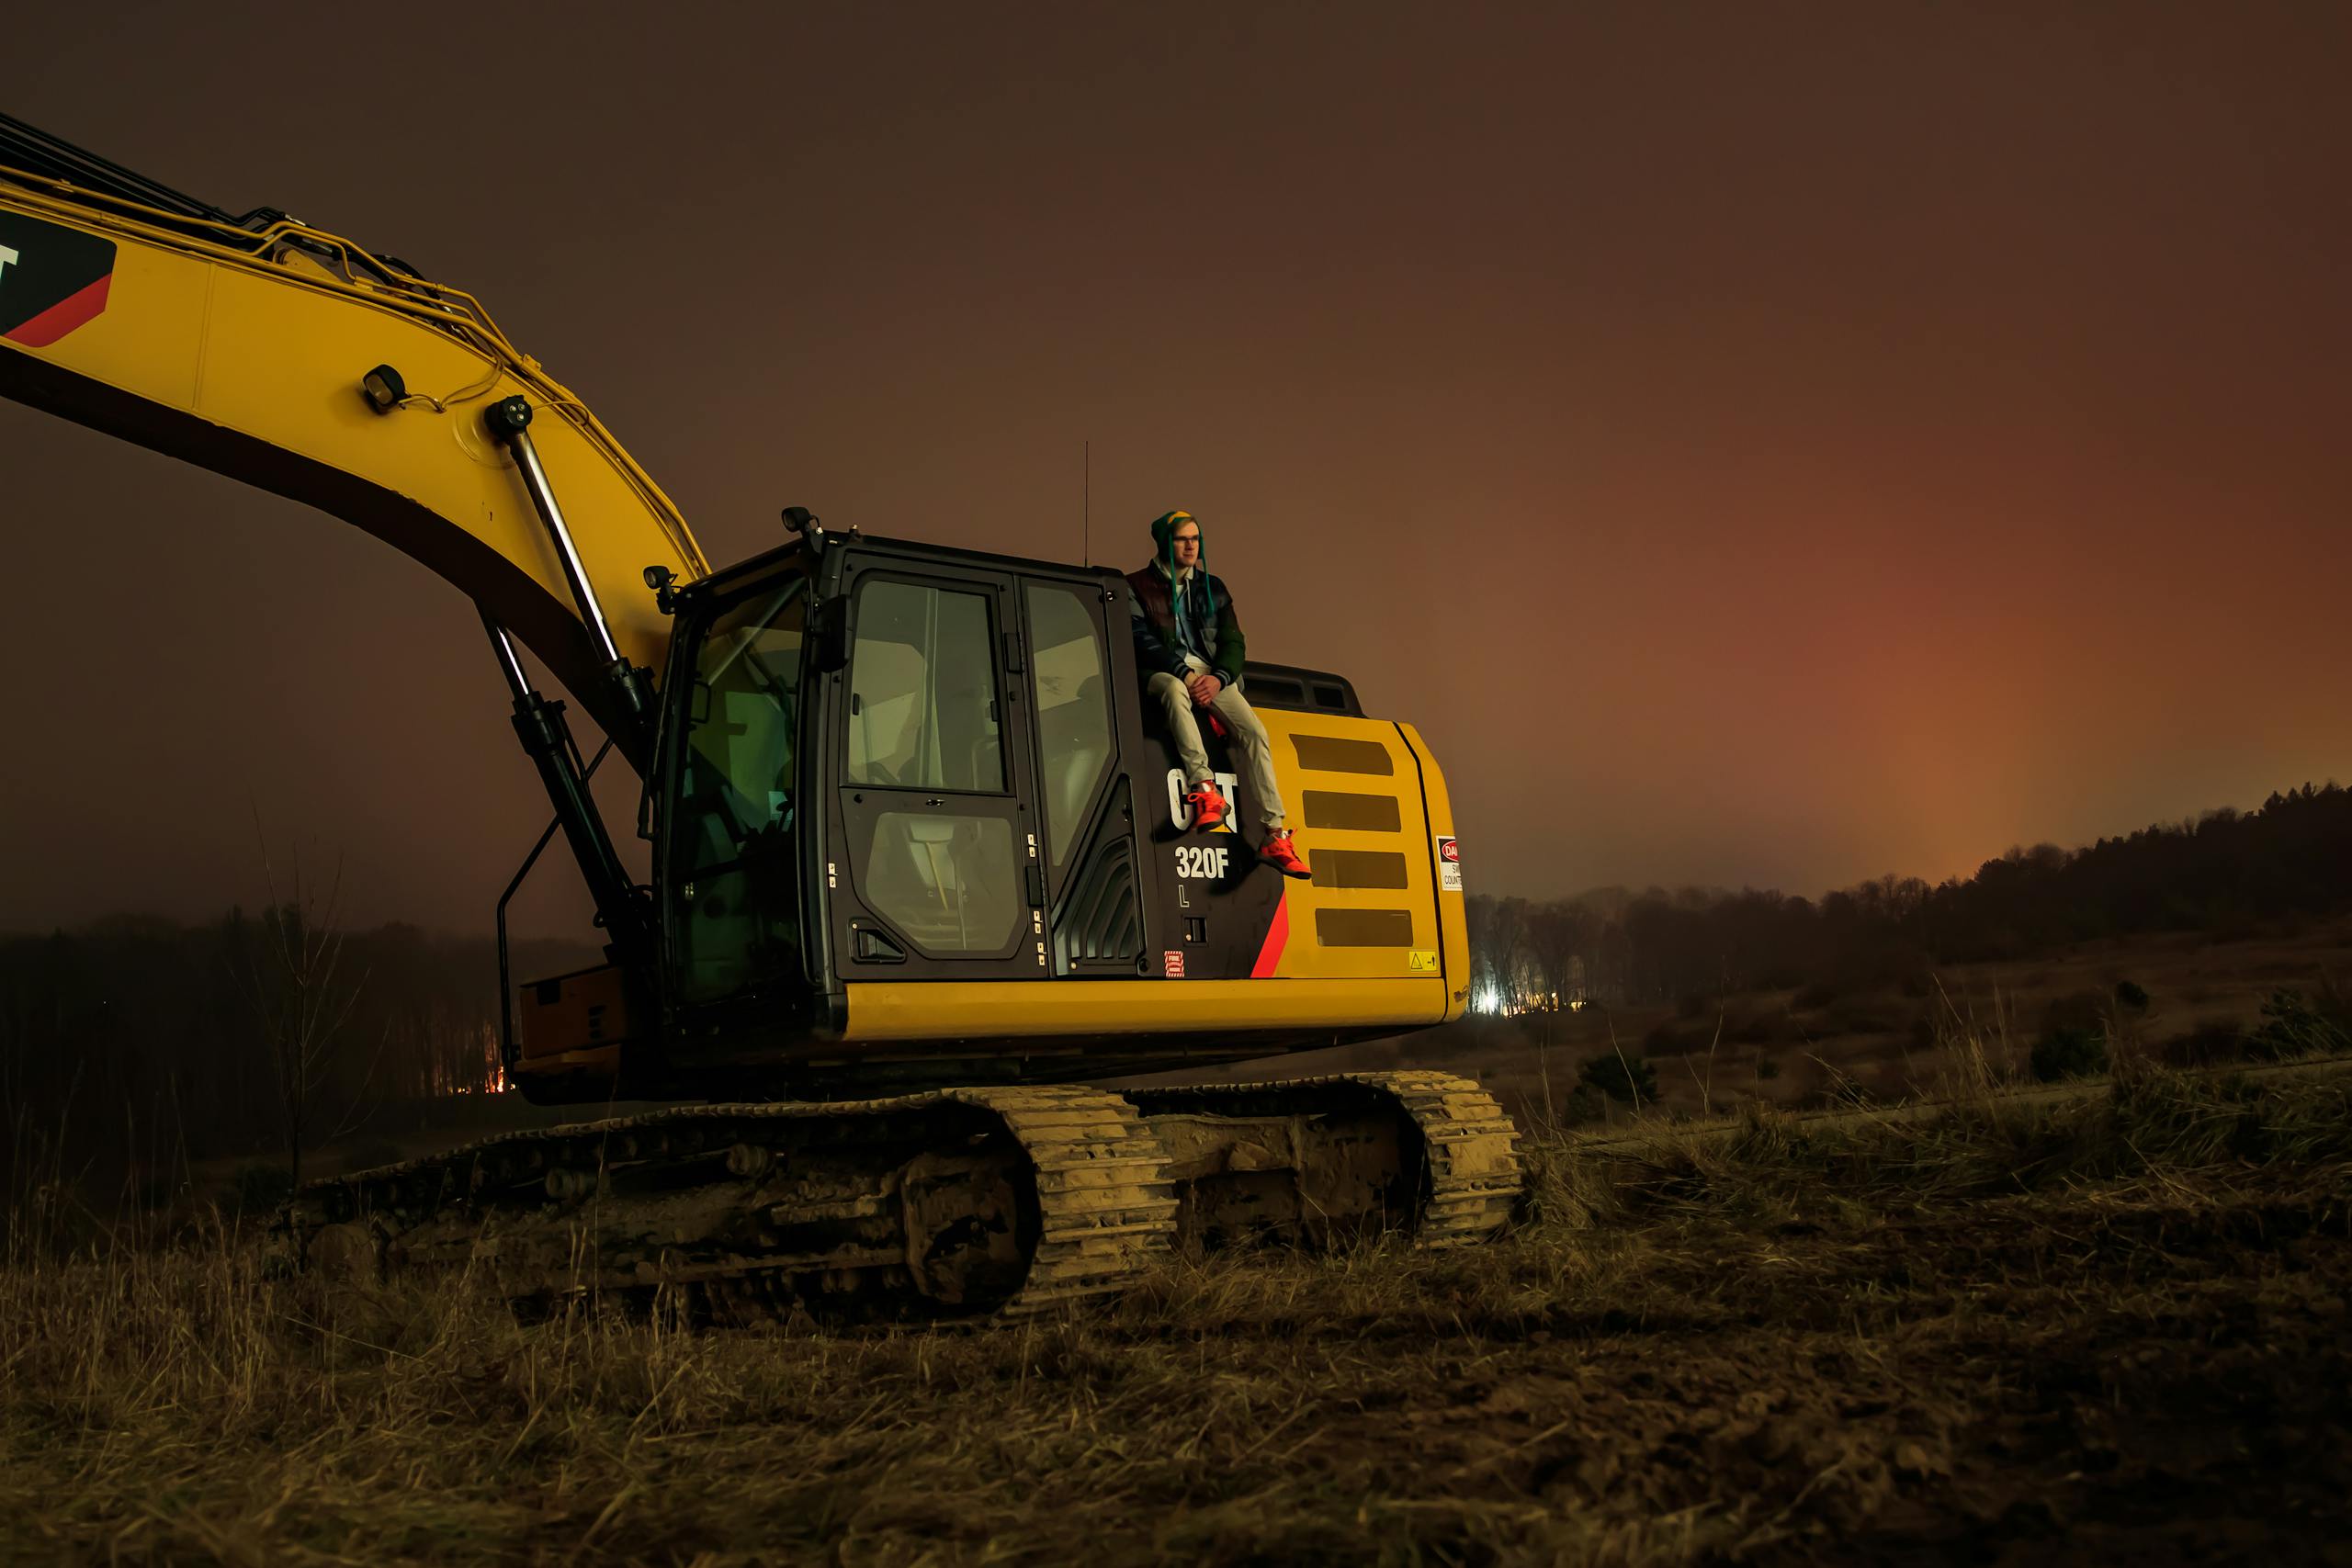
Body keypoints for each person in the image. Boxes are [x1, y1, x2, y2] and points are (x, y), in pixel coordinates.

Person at [1127, 510, 1311, 879]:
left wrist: (1220, 678)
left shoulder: (1214, 587)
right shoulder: (1135, 586)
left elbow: (1233, 640)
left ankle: (1275, 834)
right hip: (1163, 672)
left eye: (1196, 538)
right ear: (1165, 542)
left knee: (1255, 732)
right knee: (1176, 690)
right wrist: (1183, 671)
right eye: (1182, 538)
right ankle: (1204, 787)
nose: (1191, 545)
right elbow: (1139, 639)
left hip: (1211, 674)